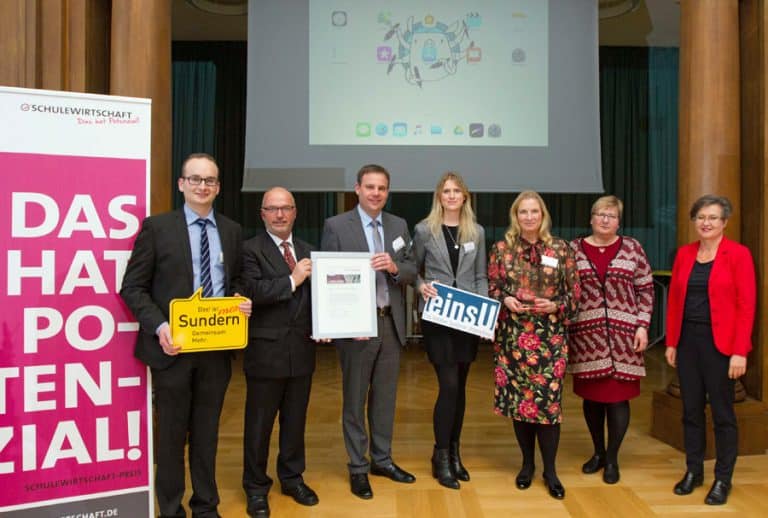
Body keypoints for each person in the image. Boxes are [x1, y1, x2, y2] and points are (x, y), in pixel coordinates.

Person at [120, 153, 251, 518]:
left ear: (218, 187)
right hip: (171, 349)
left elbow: (237, 279)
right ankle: (170, 509)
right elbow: (132, 287)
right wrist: (160, 327)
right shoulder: (157, 228)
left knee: (207, 433)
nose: (202, 186)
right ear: (181, 184)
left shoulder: (232, 230)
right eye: (195, 179)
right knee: (172, 435)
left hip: (216, 349)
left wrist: (239, 300)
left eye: (209, 180)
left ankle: (206, 506)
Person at [320, 164, 417, 499]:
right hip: (355, 328)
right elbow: (327, 278)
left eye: (382, 188)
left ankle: (382, 460)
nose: (376, 193)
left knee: (385, 399)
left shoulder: (398, 225)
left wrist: (394, 267)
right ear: (357, 189)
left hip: (390, 323)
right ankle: (358, 467)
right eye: (370, 187)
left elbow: (411, 269)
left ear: (387, 192)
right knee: (355, 399)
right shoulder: (336, 226)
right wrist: (340, 323)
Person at [487, 190, 579, 500]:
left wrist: (555, 306)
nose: (529, 217)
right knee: (520, 404)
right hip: (513, 338)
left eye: (534, 212)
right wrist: (504, 299)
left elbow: (575, 294)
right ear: (515, 216)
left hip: (550, 338)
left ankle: (550, 471)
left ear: (543, 216)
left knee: (548, 406)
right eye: (523, 212)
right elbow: (492, 287)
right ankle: (527, 465)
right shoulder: (501, 249)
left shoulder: (561, 249)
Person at [665, 194, 756, 506]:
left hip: (722, 345)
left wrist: (740, 351)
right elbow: (675, 300)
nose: (706, 223)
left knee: (722, 414)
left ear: (724, 222)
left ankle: (722, 478)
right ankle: (694, 471)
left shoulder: (739, 254)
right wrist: (672, 342)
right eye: (701, 217)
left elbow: (747, 306)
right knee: (690, 411)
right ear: (694, 221)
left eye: (713, 217)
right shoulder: (685, 254)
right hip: (687, 341)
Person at [240, 187, 318, 517]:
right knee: (259, 425)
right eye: (273, 209)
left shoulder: (309, 250)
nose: (280, 214)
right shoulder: (249, 250)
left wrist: (326, 325)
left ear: (295, 212)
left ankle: (292, 478)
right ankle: (256, 488)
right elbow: (253, 290)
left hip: (302, 350)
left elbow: (319, 298)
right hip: (265, 352)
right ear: (262, 214)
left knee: (295, 422)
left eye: (286, 208)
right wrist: (292, 279)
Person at [568, 195, 654, 485]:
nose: (605, 220)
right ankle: (598, 452)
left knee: (618, 400)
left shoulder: (633, 248)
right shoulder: (573, 250)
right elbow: (565, 289)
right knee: (592, 399)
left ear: (619, 221)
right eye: (600, 214)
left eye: (612, 216)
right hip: (586, 339)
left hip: (625, 339)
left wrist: (642, 326)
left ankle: (613, 458)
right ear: (591, 218)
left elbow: (646, 290)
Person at [411, 172, 488, 489]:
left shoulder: (477, 232)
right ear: (439, 196)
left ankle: (455, 453)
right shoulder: (424, 230)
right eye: (446, 191)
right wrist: (421, 286)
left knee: (461, 387)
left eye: (457, 191)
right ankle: (440, 455)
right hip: (439, 316)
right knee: (449, 385)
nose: (452, 195)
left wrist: (484, 315)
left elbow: (480, 276)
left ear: (465, 196)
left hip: (468, 317)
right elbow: (412, 270)